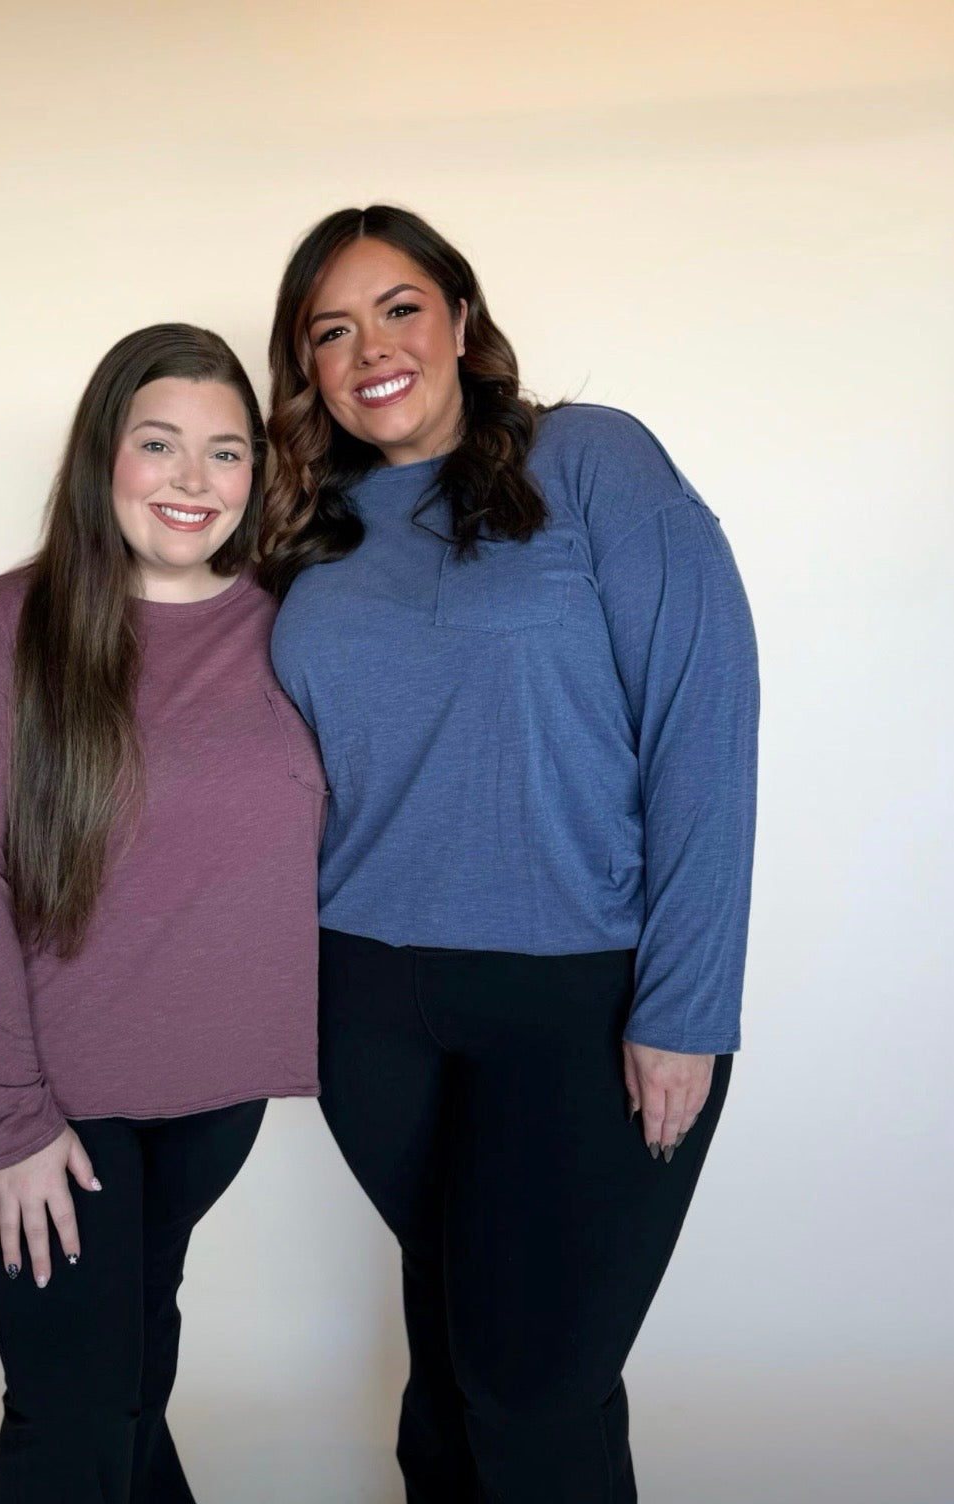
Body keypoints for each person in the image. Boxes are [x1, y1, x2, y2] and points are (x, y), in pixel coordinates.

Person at [261, 206, 759, 1503]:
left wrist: (685, 1007)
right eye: (330, 331)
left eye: (399, 308)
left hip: (575, 1004)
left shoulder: (589, 459)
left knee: (532, 1388)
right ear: (306, 370)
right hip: (365, 1005)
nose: (371, 347)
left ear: (462, 321)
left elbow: (701, 725)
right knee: (453, 1372)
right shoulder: (308, 530)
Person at [0, 323, 324, 1504]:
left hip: (209, 1096)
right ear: (102, 455)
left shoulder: (293, 624)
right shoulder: (0, 631)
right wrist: (12, 1125)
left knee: (128, 1384)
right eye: (159, 443)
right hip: (42, 1103)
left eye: (225, 451)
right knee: (75, 1411)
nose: (194, 479)